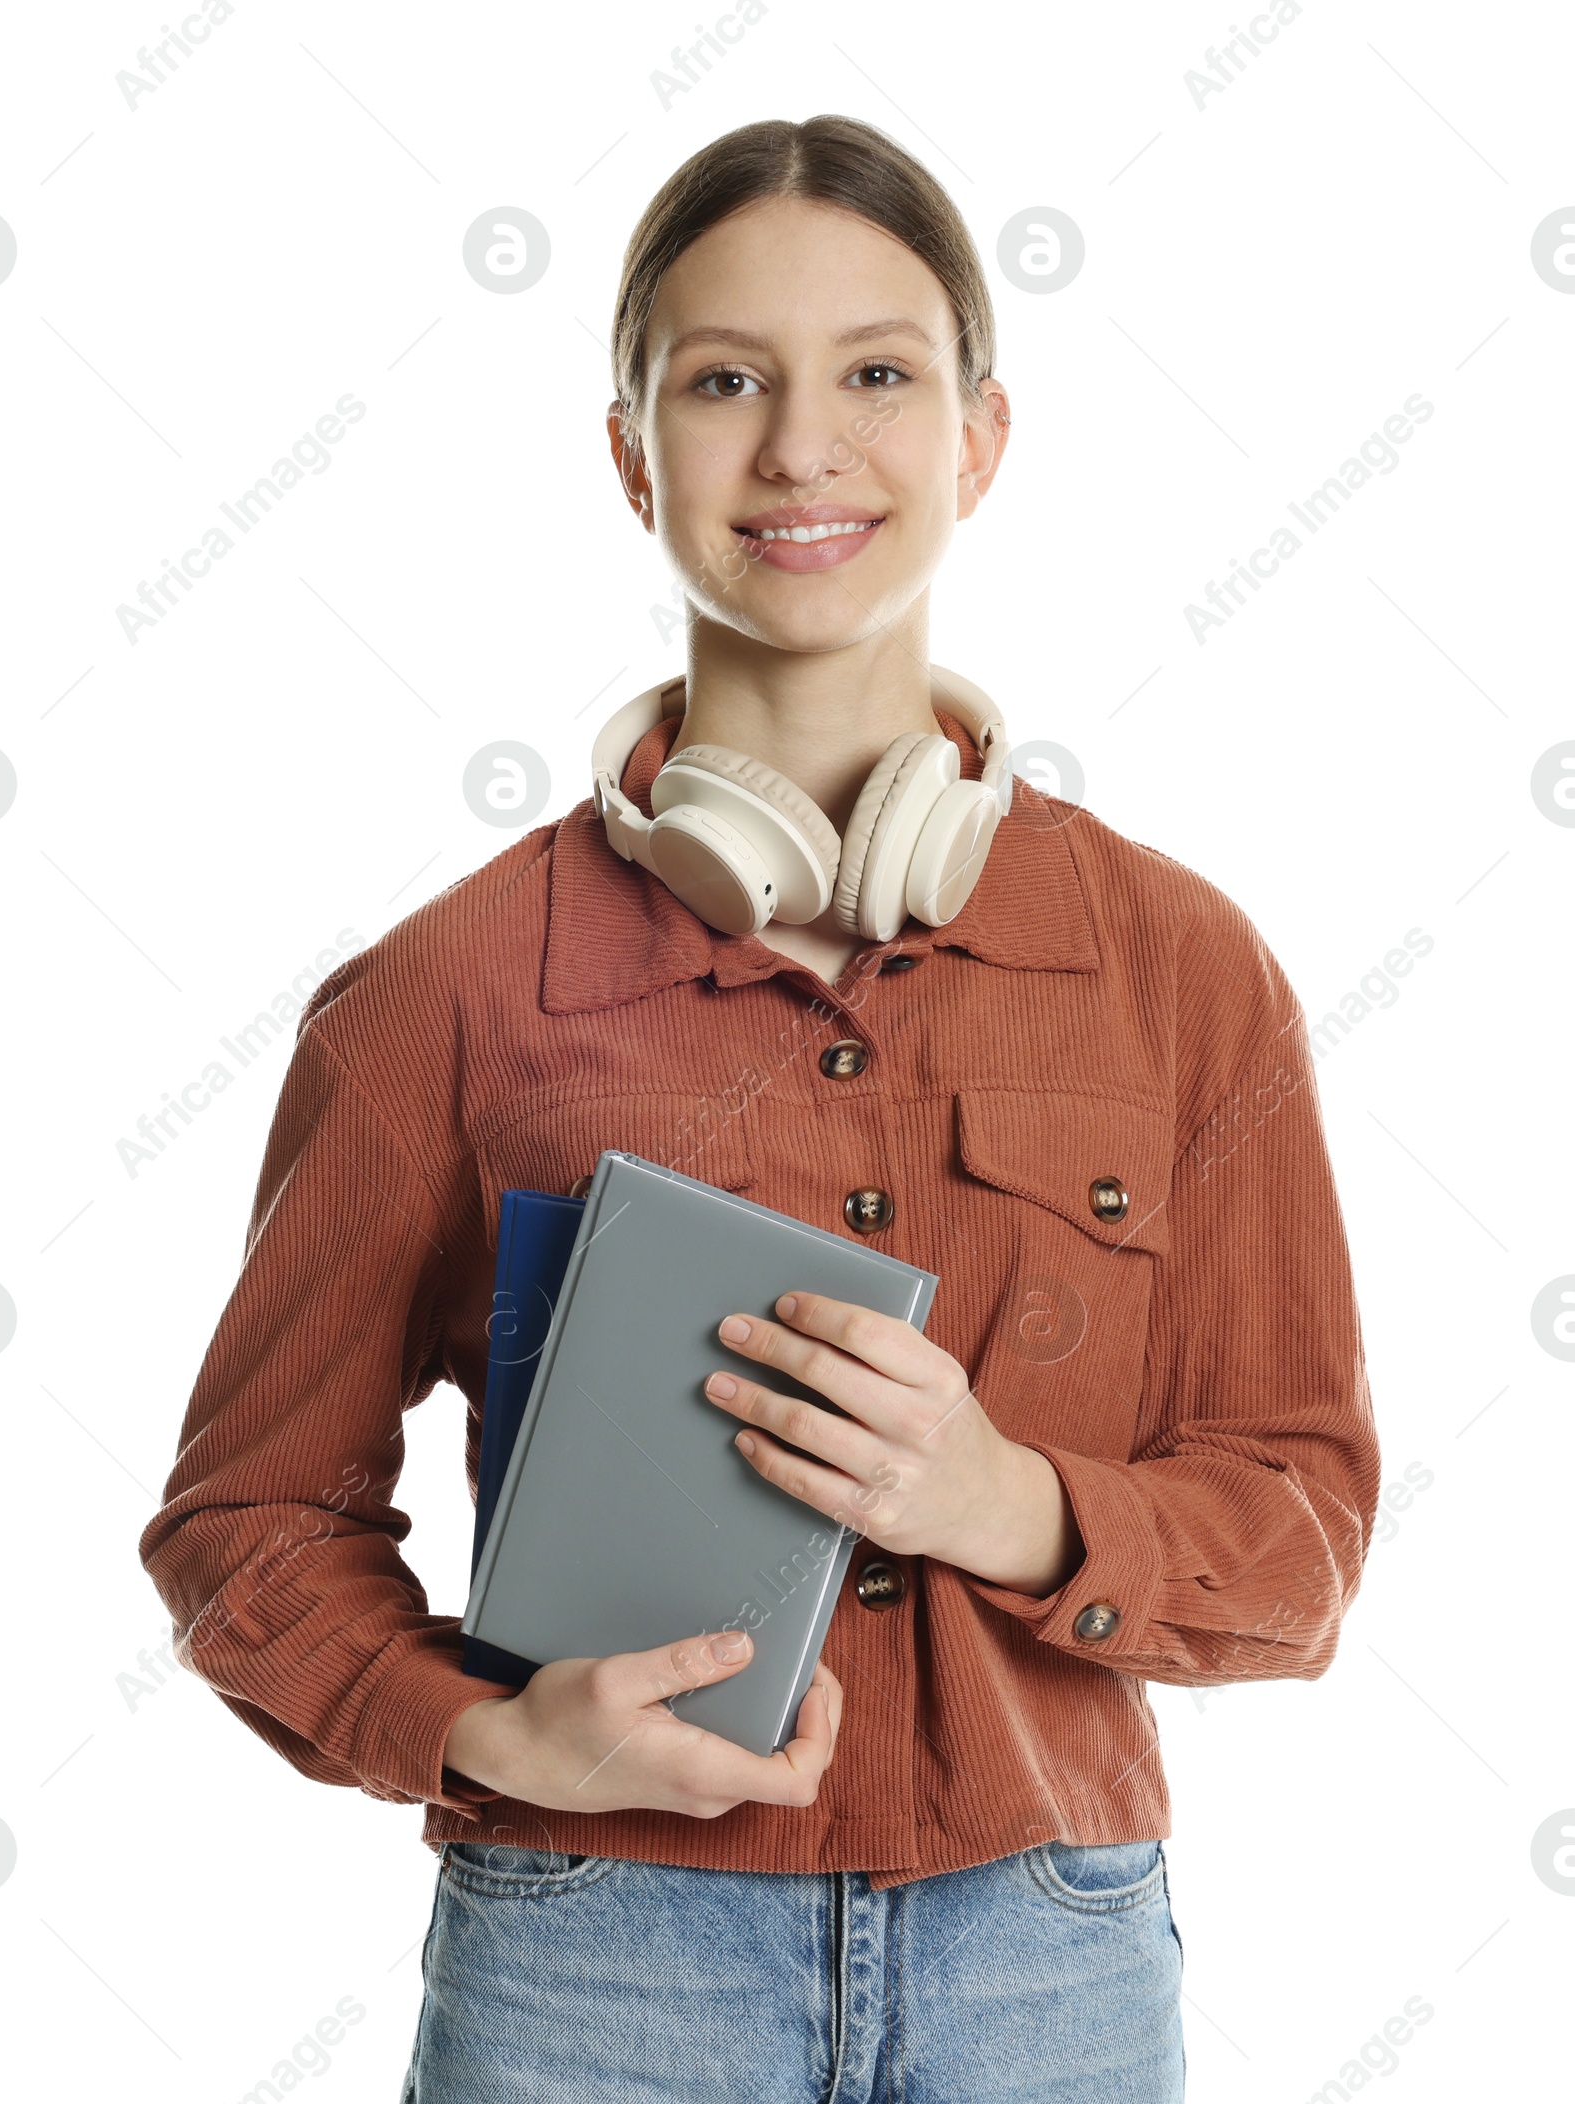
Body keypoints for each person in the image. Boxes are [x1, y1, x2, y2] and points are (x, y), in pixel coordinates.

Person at [139, 114, 1381, 2103]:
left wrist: (1011, 1502)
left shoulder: (1179, 969)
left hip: (1042, 1945)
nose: (801, 446)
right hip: (590, 1951)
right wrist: (480, 1730)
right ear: (631, 450)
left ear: (979, 435)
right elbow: (244, 1525)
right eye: (724, 380)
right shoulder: (439, 996)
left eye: (876, 373)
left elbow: (1303, 1530)